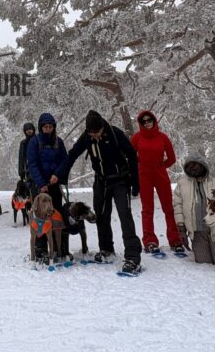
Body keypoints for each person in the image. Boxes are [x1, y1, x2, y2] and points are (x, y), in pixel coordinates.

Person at [59, 110, 142, 274]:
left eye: (97, 132)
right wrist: (63, 173)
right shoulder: (87, 137)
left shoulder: (115, 133)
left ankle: (133, 257)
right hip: (101, 181)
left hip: (119, 180)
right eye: (91, 132)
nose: (95, 135)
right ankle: (106, 249)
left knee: (125, 215)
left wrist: (135, 182)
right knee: (101, 216)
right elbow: (73, 153)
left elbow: (132, 154)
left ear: (102, 127)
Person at [172, 154, 215, 269]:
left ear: (203, 165)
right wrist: (181, 228)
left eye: (195, 165)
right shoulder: (181, 185)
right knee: (204, 263)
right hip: (197, 231)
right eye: (189, 166)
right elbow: (177, 207)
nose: (192, 168)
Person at [130, 109, 181, 255]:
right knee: (147, 209)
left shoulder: (163, 137)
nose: (147, 123)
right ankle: (150, 241)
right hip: (144, 175)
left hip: (160, 174)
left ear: (154, 121)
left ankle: (175, 240)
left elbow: (171, 158)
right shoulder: (136, 138)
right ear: (140, 123)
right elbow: (130, 157)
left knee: (168, 208)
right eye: (144, 121)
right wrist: (140, 166)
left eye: (149, 120)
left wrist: (161, 166)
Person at [26, 112, 68, 256]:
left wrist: (57, 174)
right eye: (45, 127)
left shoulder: (59, 142)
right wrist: (41, 183)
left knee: (56, 214)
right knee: (39, 216)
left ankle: (57, 247)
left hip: (54, 184)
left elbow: (64, 160)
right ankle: (40, 248)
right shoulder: (34, 142)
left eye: (50, 127)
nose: (48, 129)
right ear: (41, 127)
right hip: (39, 185)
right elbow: (32, 163)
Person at [17, 122, 36, 194]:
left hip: (38, 168)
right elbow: (21, 158)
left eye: (30, 129)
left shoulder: (38, 140)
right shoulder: (23, 143)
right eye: (27, 129)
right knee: (30, 190)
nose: (29, 131)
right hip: (28, 170)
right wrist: (21, 172)